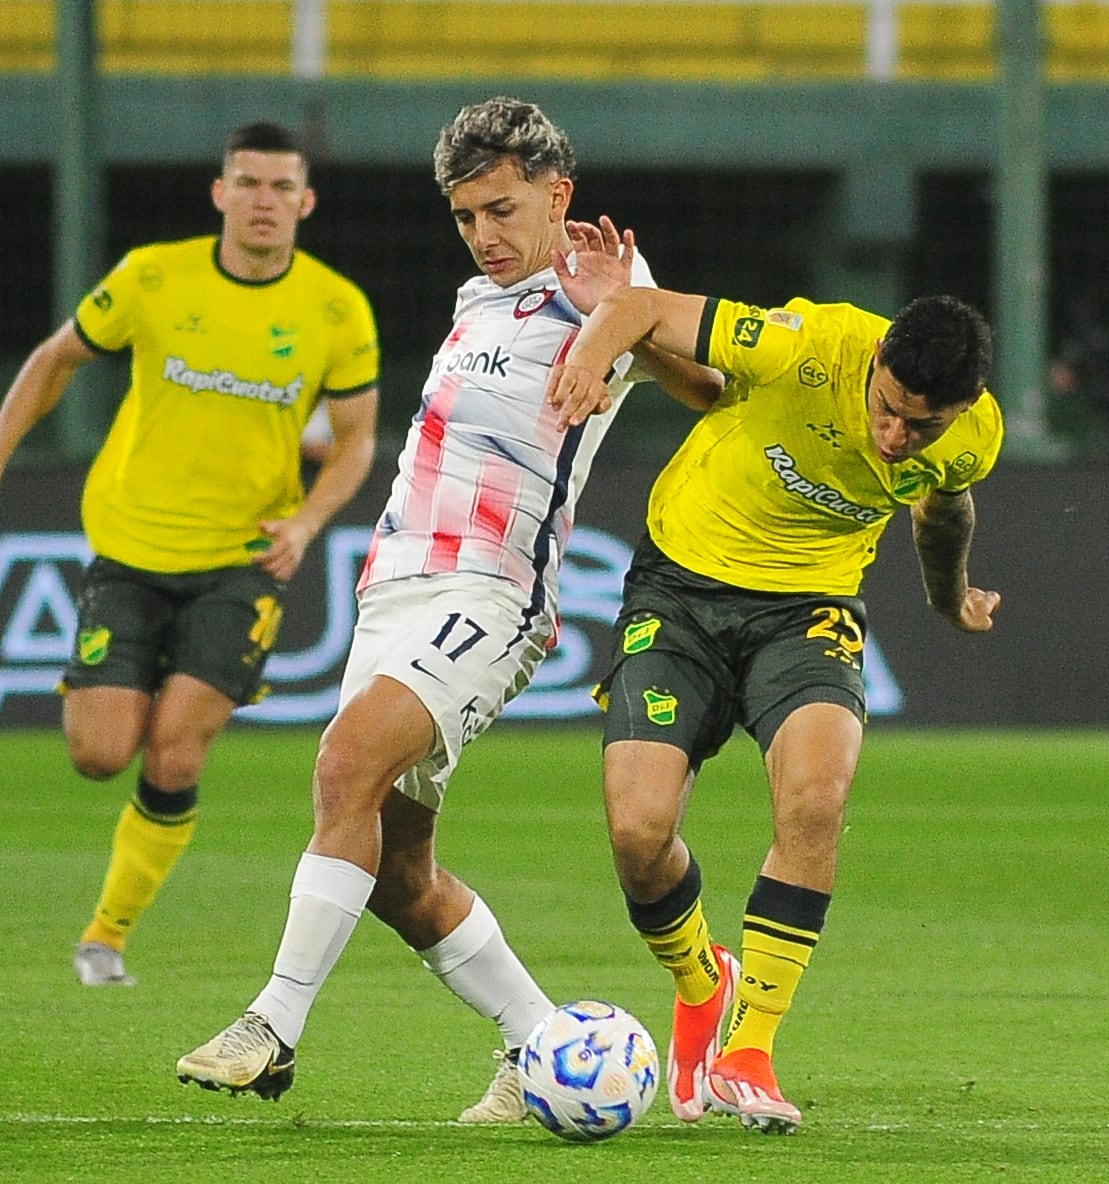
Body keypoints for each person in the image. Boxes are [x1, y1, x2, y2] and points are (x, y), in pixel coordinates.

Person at [174, 96, 722, 1120]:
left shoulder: (611, 283)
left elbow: (708, 385)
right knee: (394, 866)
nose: (486, 233)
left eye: (505, 209)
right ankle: (539, 1042)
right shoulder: (479, 299)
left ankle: (274, 1024)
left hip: (491, 590)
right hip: (396, 586)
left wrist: (624, 322)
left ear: (560, 195)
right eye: (467, 214)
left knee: (343, 761)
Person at [545, 283, 1003, 1133]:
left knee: (815, 799)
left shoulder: (972, 436)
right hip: (679, 590)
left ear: (964, 408)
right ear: (873, 366)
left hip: (809, 610)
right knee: (638, 833)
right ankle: (701, 984)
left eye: (920, 427)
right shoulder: (806, 343)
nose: (895, 438)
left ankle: (748, 1049)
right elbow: (641, 306)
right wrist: (585, 362)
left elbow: (942, 512)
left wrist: (950, 599)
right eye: (888, 410)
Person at [0, 122, 382, 989]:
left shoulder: (335, 308)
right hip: (131, 547)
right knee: (101, 754)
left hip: (241, 561)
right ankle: (104, 698)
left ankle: (105, 937)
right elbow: (54, 359)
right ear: (220, 193)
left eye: (280, 187)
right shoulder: (152, 276)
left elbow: (360, 442)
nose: (264, 201)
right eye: (248, 184)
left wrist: (307, 523)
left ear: (305, 201)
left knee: (177, 753)